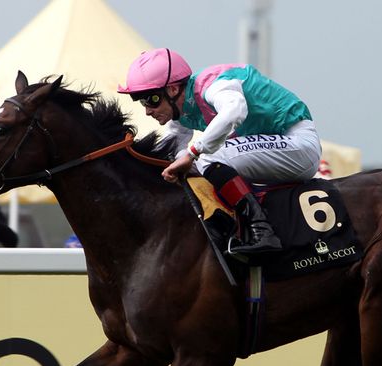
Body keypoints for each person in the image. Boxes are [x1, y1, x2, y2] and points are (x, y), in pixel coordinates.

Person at [118, 48, 321, 255]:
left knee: (207, 157)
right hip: (280, 149)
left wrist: (192, 153)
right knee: (196, 163)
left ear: (172, 90)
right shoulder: (182, 110)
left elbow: (234, 111)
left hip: (298, 144)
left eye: (151, 99)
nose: (147, 110)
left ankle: (262, 230)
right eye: (142, 101)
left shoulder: (213, 86)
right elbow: (171, 151)